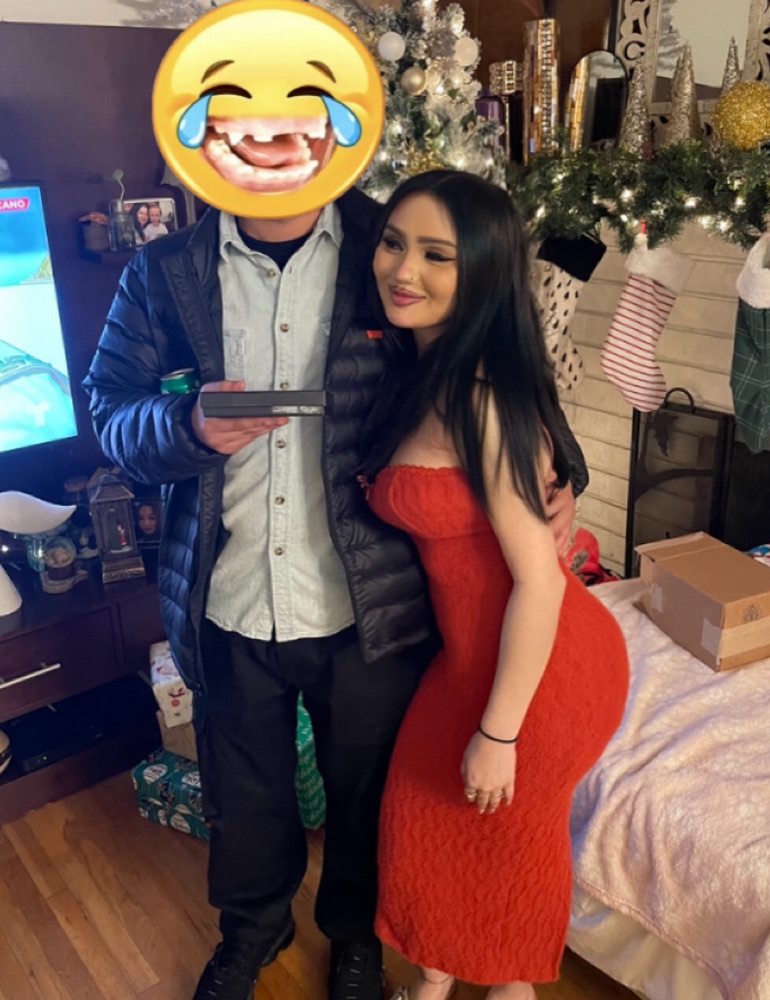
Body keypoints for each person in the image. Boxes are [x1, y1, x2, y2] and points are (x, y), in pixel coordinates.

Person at [82, 170, 588, 1000]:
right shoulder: (163, 271)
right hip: (226, 596)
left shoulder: (387, 246)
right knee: (243, 798)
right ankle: (252, 931)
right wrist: (186, 424)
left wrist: (563, 471)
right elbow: (109, 411)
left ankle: (356, 938)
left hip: (370, 602)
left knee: (366, 795)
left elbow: (492, 347)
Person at [361, 171, 629, 1000]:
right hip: (473, 653)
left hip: (542, 667)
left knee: (505, 844)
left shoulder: (476, 395)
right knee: (421, 824)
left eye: (436, 255)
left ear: (480, 270)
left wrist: (500, 734)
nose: (403, 269)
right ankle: (436, 978)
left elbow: (540, 584)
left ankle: (508, 986)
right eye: (393, 243)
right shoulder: (421, 367)